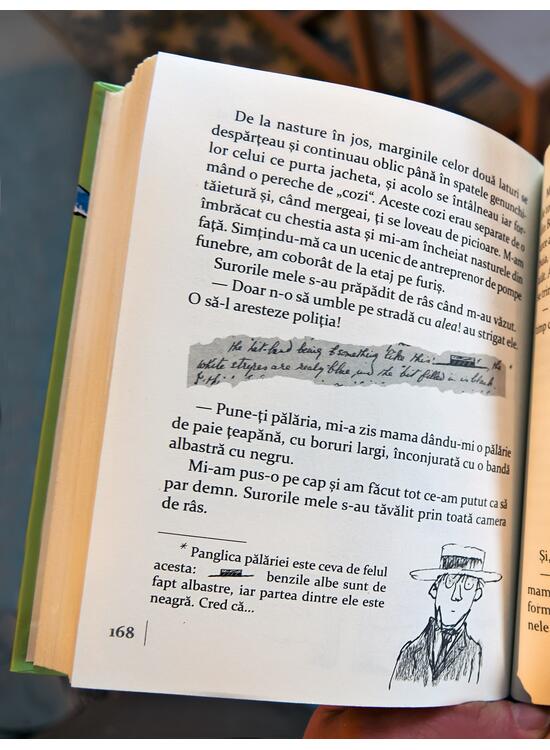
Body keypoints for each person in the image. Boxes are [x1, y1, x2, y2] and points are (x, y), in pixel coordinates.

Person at [390, 544, 501, 688]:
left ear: (477, 594)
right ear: (434, 589)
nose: (456, 596)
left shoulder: (475, 654)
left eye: (467, 586)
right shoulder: (409, 651)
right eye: (449, 583)